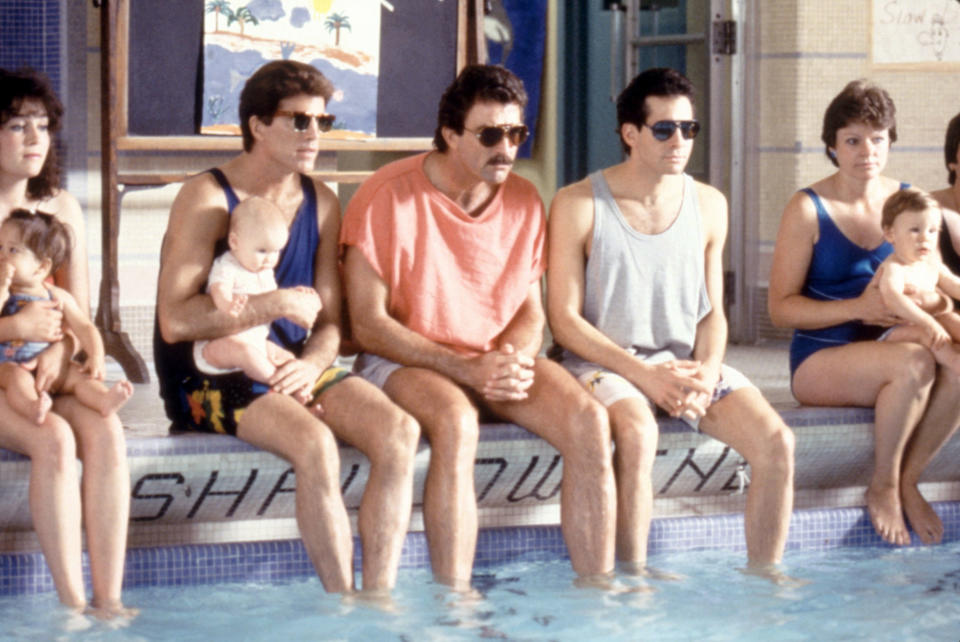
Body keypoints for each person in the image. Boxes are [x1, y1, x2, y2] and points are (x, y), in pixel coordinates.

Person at [341, 64, 617, 591]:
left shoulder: (524, 199)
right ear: (450, 134)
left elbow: (529, 310)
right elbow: (369, 325)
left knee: (589, 422)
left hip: (489, 360)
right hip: (406, 359)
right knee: (454, 421)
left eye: (516, 134)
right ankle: (456, 599)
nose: (506, 148)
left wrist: (509, 361)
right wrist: (466, 367)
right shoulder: (386, 195)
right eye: (490, 134)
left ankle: (597, 593)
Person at [154, 60, 419, 597]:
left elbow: (330, 323)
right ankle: (341, 603)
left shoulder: (321, 201)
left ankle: (378, 599)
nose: (314, 134)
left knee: (399, 433)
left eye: (322, 121)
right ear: (256, 125)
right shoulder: (206, 199)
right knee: (316, 444)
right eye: (299, 121)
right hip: (210, 374)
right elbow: (175, 320)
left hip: (287, 366)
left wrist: (311, 366)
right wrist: (271, 304)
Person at [547, 67, 795, 577]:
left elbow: (712, 312)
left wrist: (707, 369)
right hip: (604, 362)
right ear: (630, 134)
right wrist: (644, 376)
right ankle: (634, 579)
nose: (680, 140)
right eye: (665, 129)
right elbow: (565, 322)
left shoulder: (710, 204)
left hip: (683, 363)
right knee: (637, 431)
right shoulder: (577, 204)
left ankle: (765, 580)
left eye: (689, 129)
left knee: (778, 442)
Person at [768, 79, 960, 547]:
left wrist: (931, 307)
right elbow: (779, 310)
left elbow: (935, 281)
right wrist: (860, 307)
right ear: (832, 147)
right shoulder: (808, 209)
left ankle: (909, 478)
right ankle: (883, 484)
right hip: (821, 358)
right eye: (852, 140)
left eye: (877, 139)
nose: (866, 151)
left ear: (891, 141)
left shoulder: (912, 203)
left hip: (890, 341)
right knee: (914, 363)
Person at [0, 68, 133, 616]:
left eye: (42, 125)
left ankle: (110, 602)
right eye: (15, 125)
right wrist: (16, 331)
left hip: (47, 360)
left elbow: (75, 313)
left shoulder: (61, 209)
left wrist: (57, 349)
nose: (34, 138)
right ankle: (72, 606)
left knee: (105, 429)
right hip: (5, 369)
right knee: (52, 437)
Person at [0, 210, 133, 424]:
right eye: (0, 247)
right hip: (10, 364)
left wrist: (96, 355)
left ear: (41, 267)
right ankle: (32, 407)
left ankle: (104, 400)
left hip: (53, 368)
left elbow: (85, 327)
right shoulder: (4, 293)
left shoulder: (57, 296)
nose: (2, 256)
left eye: (13, 250)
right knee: (16, 379)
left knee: (81, 378)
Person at [193, 196, 300, 386]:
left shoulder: (264, 271)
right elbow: (219, 288)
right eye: (262, 251)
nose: (270, 259)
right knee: (246, 354)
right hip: (219, 345)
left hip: (256, 342)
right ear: (234, 242)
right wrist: (227, 303)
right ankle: (282, 388)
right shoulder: (228, 265)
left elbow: (274, 301)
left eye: (276, 251)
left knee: (289, 359)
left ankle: (301, 393)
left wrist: (294, 297)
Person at [875, 188, 960, 374]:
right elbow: (893, 299)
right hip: (891, 331)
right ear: (890, 234)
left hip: (927, 319)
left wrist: (933, 320)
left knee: (953, 320)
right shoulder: (894, 267)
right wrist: (928, 322)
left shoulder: (931, 263)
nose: (925, 238)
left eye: (932, 230)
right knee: (927, 333)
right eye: (915, 230)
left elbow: (953, 284)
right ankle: (955, 363)